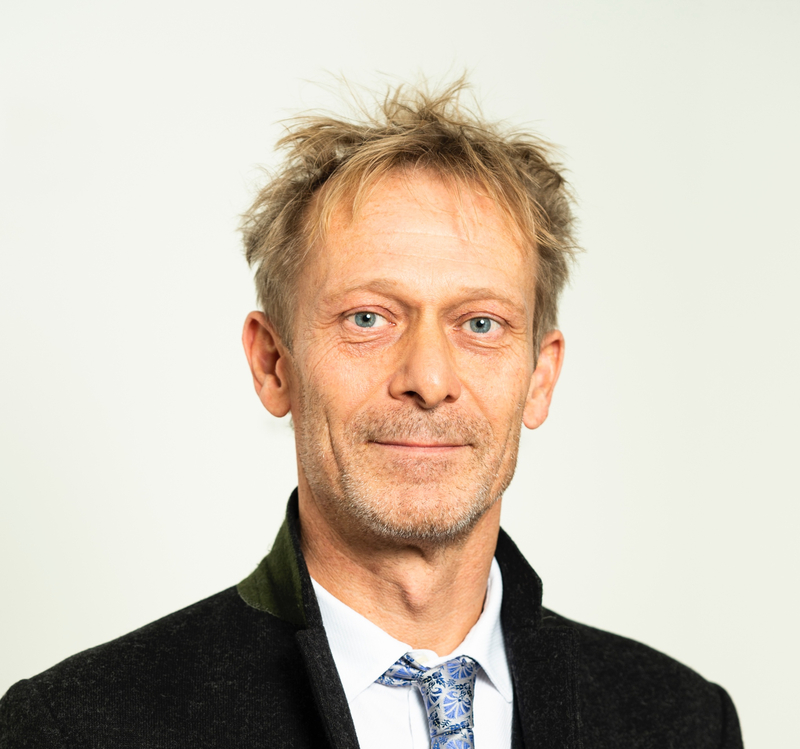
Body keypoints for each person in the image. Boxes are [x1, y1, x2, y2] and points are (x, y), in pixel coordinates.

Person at [0, 81, 743, 749]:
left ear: (539, 377)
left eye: (480, 323)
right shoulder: (74, 728)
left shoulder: (682, 723)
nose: (428, 379)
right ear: (274, 363)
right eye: (367, 318)